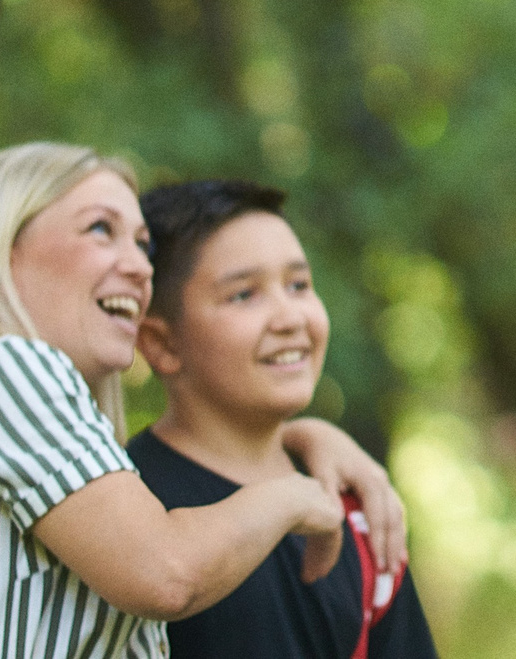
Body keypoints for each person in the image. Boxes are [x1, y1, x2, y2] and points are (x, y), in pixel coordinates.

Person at [0, 143, 407, 659]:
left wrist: (305, 436)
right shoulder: (1, 369)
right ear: (4, 247)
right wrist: (296, 497)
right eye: (100, 229)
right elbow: (168, 575)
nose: (139, 268)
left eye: (142, 245)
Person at [127, 178, 441, 659]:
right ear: (161, 343)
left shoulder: (360, 511)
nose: (290, 318)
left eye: (299, 285)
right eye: (243, 295)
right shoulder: (125, 511)